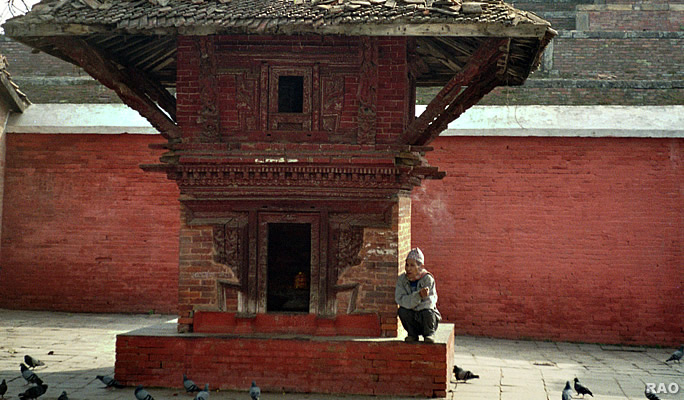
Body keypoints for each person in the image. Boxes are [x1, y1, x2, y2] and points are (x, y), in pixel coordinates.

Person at [395, 247, 441, 343]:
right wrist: (418, 296)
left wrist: (411, 304)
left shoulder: (427, 279)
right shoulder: (402, 280)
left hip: (425, 318)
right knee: (402, 311)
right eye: (407, 265)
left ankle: (429, 334)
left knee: (428, 312)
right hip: (412, 316)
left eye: (412, 265)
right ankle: (412, 334)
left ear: (420, 266)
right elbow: (400, 299)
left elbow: (429, 303)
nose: (408, 269)